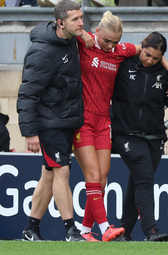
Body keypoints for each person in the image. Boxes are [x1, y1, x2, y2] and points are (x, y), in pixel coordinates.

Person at [74, 11, 168, 242]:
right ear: (96, 31)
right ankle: (106, 227)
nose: (111, 46)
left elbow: (147, 51)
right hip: (83, 119)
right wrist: (82, 34)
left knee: (101, 179)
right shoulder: (83, 42)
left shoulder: (121, 51)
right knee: (94, 175)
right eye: (106, 40)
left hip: (104, 122)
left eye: (115, 41)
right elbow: (59, 30)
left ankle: (84, 230)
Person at [17, 0, 85, 242]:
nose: (81, 23)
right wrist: (29, 132)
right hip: (48, 124)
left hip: (64, 121)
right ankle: (70, 230)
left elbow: (82, 33)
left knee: (49, 175)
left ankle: (30, 229)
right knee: (62, 172)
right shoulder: (43, 51)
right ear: (60, 23)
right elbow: (27, 93)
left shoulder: (71, 39)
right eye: (76, 19)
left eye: (81, 17)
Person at [111, 31, 168, 241]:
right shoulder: (124, 64)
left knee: (136, 182)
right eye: (147, 55)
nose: (149, 60)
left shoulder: (164, 74)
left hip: (154, 137)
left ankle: (124, 231)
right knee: (144, 178)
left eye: (155, 58)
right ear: (141, 47)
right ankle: (150, 230)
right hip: (126, 133)